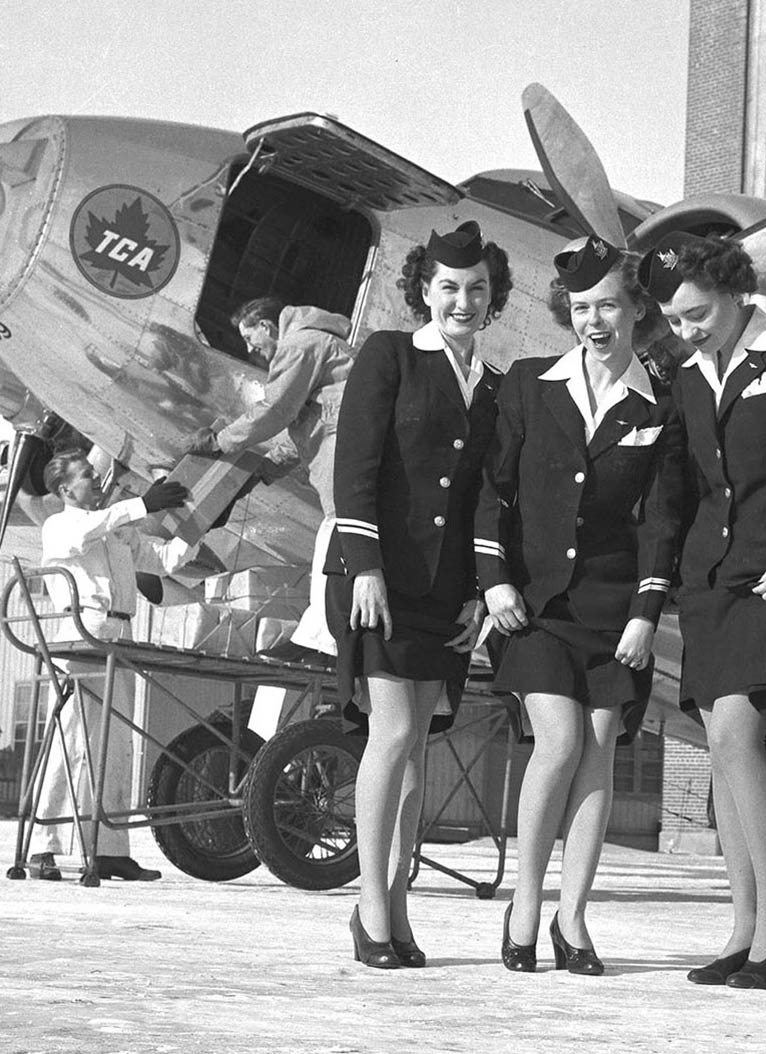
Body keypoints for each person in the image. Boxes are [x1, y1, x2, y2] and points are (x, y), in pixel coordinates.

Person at [476, 235, 684, 975]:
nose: (592, 321)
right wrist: (493, 577)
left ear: (635, 311)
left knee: (597, 753)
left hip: (612, 607)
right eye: (580, 308)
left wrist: (645, 613)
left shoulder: (660, 401)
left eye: (607, 307)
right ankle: (526, 905)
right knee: (559, 742)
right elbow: (490, 489)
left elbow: (662, 518)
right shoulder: (530, 383)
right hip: (532, 605)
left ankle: (573, 918)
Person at [638, 232, 766, 989]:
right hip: (713, 583)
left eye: (696, 314)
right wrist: (665, 586)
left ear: (731, 290)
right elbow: (677, 493)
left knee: (738, 735)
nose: (685, 330)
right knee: (724, 752)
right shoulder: (688, 376)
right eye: (675, 320)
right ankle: (748, 926)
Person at [324, 220, 512, 968]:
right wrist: (364, 563)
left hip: (445, 593)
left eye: (476, 290)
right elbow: (355, 467)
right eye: (448, 288)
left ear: (493, 298)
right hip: (384, 580)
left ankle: (397, 910)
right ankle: (370, 908)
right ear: (423, 292)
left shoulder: (494, 387)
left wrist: (478, 591)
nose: (462, 302)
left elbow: (485, 501)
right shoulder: (390, 355)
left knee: (416, 754)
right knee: (393, 735)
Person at [29, 450, 190, 882]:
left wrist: (206, 520)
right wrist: (141, 504)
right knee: (72, 740)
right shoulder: (61, 524)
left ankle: (109, 849)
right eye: (86, 475)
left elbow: (165, 561)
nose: (96, 479)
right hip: (81, 633)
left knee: (114, 744)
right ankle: (45, 845)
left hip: (118, 635)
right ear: (65, 489)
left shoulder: (116, 530)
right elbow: (85, 533)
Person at [186, 297, 355, 661]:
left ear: (267, 326)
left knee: (336, 541)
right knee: (337, 541)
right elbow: (303, 429)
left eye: (251, 338)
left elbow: (276, 410)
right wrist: (262, 472)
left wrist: (220, 441)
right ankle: (323, 639)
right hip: (339, 452)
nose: (250, 350)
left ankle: (322, 642)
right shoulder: (315, 348)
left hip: (346, 456)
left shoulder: (299, 345)